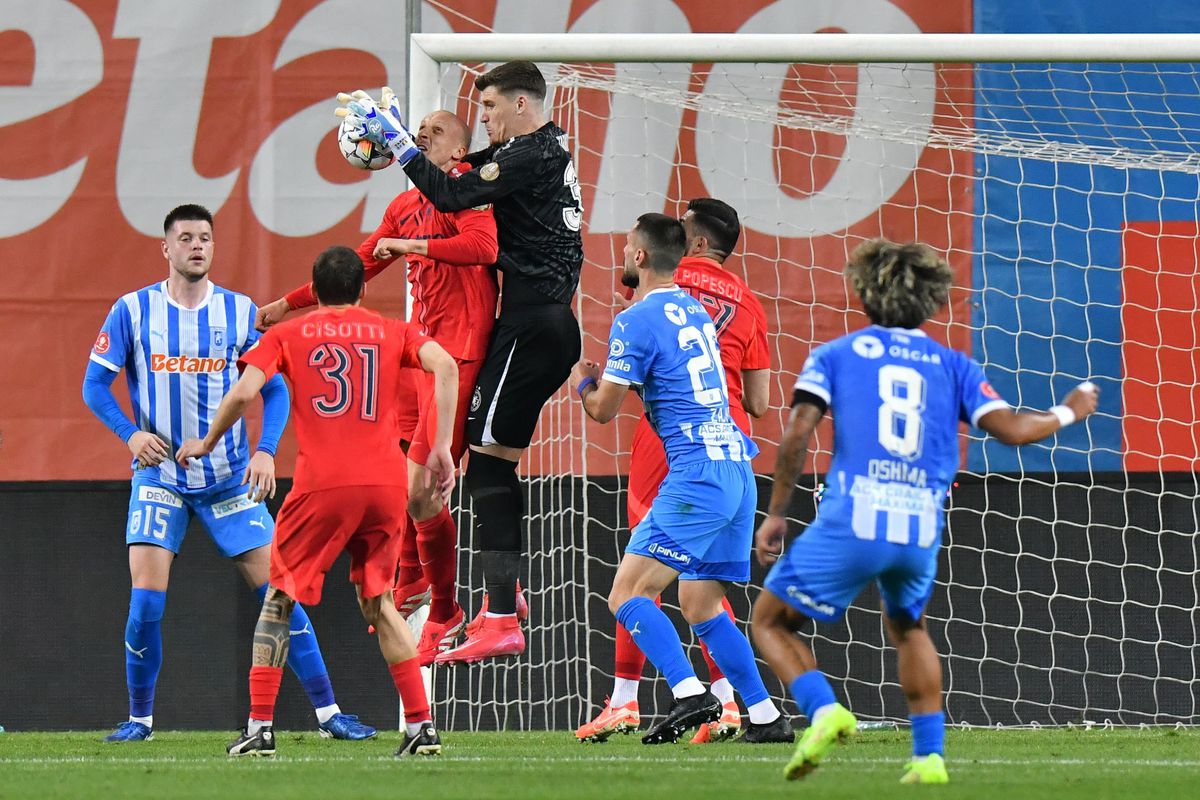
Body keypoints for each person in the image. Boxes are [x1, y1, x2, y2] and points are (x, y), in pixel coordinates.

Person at [750, 239, 1099, 783]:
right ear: (932, 302)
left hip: (854, 516)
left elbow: (797, 434)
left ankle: (824, 711)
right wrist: (1069, 409)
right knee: (910, 625)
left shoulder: (837, 353)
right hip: (919, 523)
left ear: (865, 294)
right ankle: (930, 757)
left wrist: (777, 512)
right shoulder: (953, 364)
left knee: (770, 620)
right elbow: (1012, 431)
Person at [82, 204, 376, 744]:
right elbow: (94, 386)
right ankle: (140, 720)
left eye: (205, 238)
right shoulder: (131, 310)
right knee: (146, 599)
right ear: (165, 248)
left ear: (213, 248)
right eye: (186, 238)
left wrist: (266, 450)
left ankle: (329, 713)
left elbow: (277, 388)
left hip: (229, 481)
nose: (197, 246)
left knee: (280, 597)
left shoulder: (239, 313)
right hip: (161, 479)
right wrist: (130, 434)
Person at [336, 61, 584, 663]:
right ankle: (501, 596)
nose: (487, 120)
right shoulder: (531, 156)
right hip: (529, 325)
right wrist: (404, 139)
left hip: (534, 324)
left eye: (493, 107)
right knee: (480, 456)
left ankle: (497, 613)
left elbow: (454, 193)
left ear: (523, 105)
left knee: (482, 470)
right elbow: (456, 176)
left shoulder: (532, 152)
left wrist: (396, 144)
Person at [176, 246, 460, 758]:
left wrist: (207, 442)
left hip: (322, 485)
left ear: (315, 288)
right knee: (380, 602)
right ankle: (421, 726)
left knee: (279, 598)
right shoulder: (392, 330)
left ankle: (260, 727)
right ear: (361, 288)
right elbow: (445, 366)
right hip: (384, 485)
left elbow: (244, 394)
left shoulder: (287, 334)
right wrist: (439, 445)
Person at [256, 109, 500, 664]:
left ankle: (443, 609)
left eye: (435, 133)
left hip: (456, 355)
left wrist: (415, 249)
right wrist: (285, 305)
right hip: (418, 355)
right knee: (402, 482)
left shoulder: (465, 190)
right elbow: (359, 266)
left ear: (459, 152)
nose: (421, 138)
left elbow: (483, 248)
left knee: (419, 490)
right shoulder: (404, 205)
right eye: (418, 133)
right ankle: (416, 583)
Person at [570, 213, 788, 745]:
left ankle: (689, 692)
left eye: (625, 247)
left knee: (626, 594)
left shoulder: (635, 320)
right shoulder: (696, 310)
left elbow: (602, 410)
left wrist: (582, 380)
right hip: (738, 469)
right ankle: (765, 717)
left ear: (640, 257)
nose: (623, 254)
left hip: (695, 474)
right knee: (701, 603)